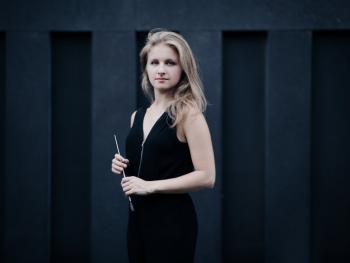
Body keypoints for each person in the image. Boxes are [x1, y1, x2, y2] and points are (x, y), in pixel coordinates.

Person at [111, 29, 216, 263]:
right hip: (138, 219)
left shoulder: (188, 113)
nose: (161, 69)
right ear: (145, 68)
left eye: (170, 63)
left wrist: (150, 186)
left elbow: (207, 177)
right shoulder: (136, 116)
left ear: (183, 69)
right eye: (154, 62)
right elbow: (147, 168)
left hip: (172, 222)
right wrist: (122, 165)